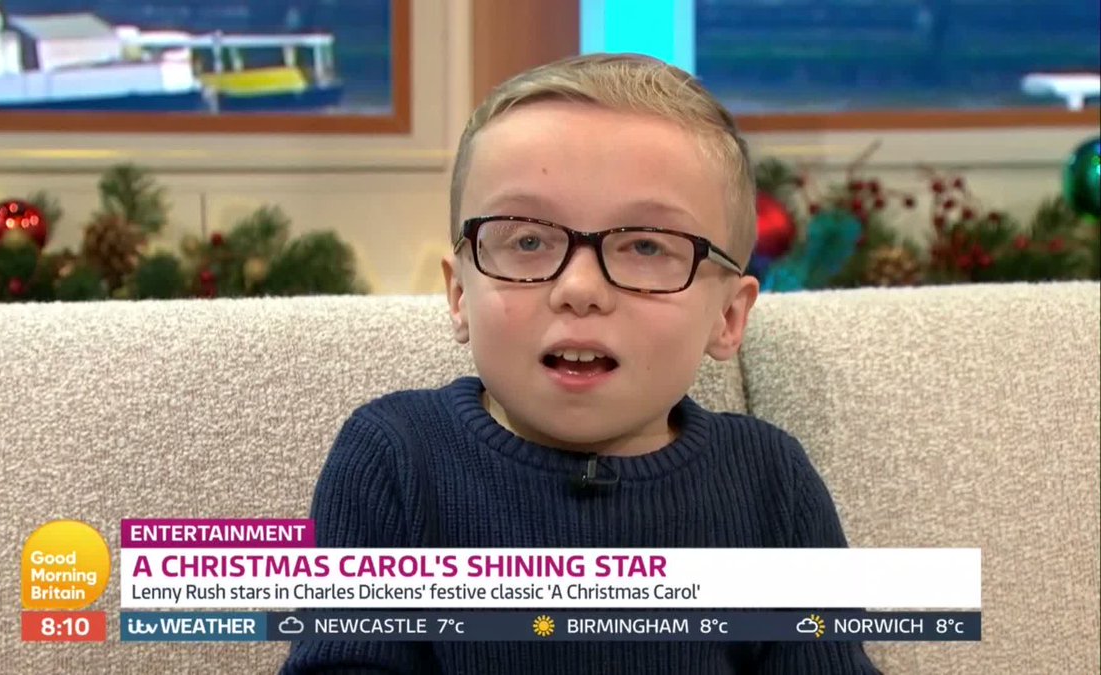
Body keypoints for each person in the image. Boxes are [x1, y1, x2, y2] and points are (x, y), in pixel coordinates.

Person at [281, 53, 879, 674]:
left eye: (646, 245)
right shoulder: (394, 456)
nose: (580, 288)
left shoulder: (772, 483)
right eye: (528, 240)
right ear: (460, 296)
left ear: (727, 316)